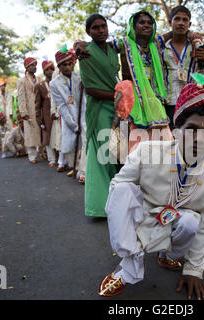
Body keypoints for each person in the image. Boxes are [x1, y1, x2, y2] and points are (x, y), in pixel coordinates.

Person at [98, 80, 204, 299]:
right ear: (175, 132)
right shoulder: (146, 152)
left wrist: (194, 269)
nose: (199, 140)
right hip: (144, 214)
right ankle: (129, 264)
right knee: (123, 190)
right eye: (191, 129)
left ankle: (168, 254)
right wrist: (133, 222)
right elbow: (117, 189)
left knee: (192, 222)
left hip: (179, 219)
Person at [78, 14, 122, 217]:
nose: (101, 30)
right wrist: (118, 95)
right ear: (88, 32)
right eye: (95, 28)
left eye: (104, 26)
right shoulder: (85, 52)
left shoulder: (113, 49)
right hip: (100, 109)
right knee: (103, 156)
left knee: (116, 155)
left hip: (118, 108)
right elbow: (90, 89)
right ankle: (100, 206)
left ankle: (116, 200)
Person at [111, 11, 172, 151]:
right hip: (134, 100)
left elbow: (172, 34)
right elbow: (104, 46)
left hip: (154, 98)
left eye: (150, 23)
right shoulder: (124, 43)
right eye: (142, 22)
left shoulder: (155, 44)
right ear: (133, 26)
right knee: (136, 140)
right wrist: (82, 44)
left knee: (162, 140)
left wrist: (192, 35)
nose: (146, 25)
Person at [161, 6, 204, 130]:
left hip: (190, 103)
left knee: (188, 144)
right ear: (170, 22)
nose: (181, 23)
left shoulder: (198, 47)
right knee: (169, 144)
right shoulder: (161, 47)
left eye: (185, 20)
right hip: (166, 104)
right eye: (177, 19)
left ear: (189, 24)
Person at [49, 46, 86, 178]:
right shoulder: (54, 84)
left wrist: (82, 121)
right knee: (70, 147)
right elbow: (62, 106)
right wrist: (73, 125)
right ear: (59, 66)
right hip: (68, 117)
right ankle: (76, 168)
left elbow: (84, 100)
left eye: (70, 64)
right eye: (64, 64)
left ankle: (83, 172)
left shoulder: (80, 78)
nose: (67, 67)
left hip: (83, 114)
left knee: (86, 142)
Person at [17, 57, 41, 163]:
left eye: (35, 65)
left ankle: (41, 152)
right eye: (31, 65)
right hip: (29, 109)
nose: (34, 67)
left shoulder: (39, 79)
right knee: (30, 132)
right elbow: (21, 97)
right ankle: (32, 156)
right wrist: (23, 112)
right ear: (27, 67)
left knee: (40, 131)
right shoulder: (22, 81)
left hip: (39, 109)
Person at [35, 60, 57, 167]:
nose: (50, 72)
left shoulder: (58, 82)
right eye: (47, 70)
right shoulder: (40, 85)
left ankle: (61, 159)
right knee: (47, 136)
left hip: (57, 114)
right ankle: (51, 159)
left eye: (51, 69)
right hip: (46, 116)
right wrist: (39, 119)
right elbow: (37, 104)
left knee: (58, 135)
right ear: (44, 72)